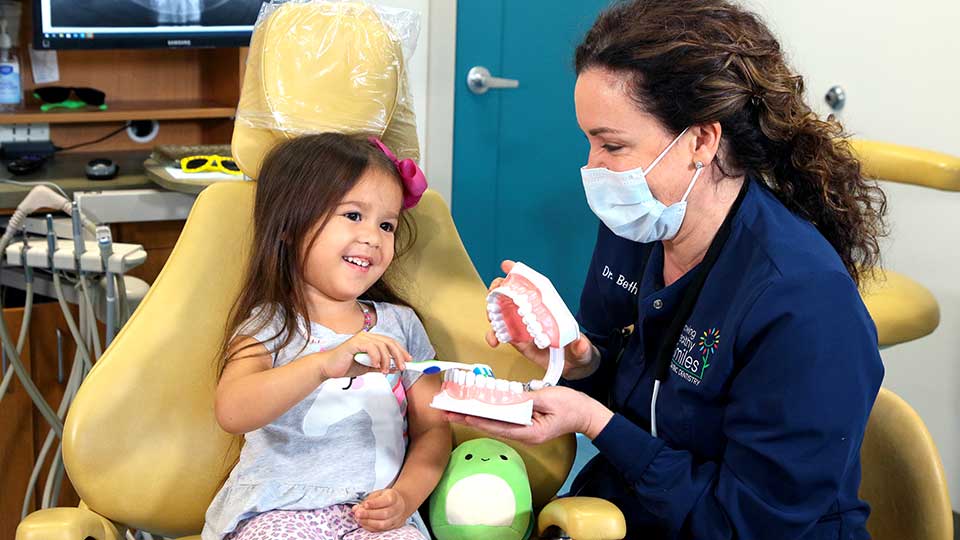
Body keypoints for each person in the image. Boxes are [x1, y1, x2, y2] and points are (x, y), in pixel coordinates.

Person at [449, 0, 887, 538]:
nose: (592, 167)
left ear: (701, 140)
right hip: (637, 508)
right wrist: (578, 361)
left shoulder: (802, 301)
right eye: (589, 141)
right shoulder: (641, 225)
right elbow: (652, 395)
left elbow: (742, 522)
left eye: (612, 144)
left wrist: (595, 423)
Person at [203, 133, 450, 540]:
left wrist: (404, 499)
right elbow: (233, 411)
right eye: (353, 215)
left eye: (386, 224)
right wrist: (322, 365)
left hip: (373, 516)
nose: (373, 236)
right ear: (289, 225)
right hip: (277, 511)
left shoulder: (402, 325)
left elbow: (434, 430)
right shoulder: (270, 325)